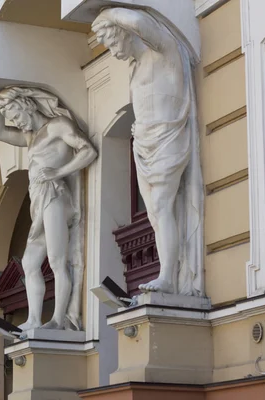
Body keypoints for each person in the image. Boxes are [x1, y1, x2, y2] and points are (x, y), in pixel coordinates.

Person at [92, 8, 203, 296]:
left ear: (125, 33)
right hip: (143, 142)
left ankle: (167, 276)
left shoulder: (164, 51)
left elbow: (141, 22)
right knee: (154, 211)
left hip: (167, 136)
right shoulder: (135, 66)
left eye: (113, 43)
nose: (114, 52)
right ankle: (168, 270)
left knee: (162, 205)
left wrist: (110, 12)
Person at [0, 86, 97, 330]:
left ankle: (59, 319)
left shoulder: (58, 125)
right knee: (29, 264)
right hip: (37, 200)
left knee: (58, 259)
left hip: (55, 196)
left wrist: (58, 172)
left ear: (27, 105)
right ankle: (34, 320)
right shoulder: (30, 136)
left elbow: (88, 150)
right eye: (13, 119)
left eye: (16, 115)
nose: (16, 122)